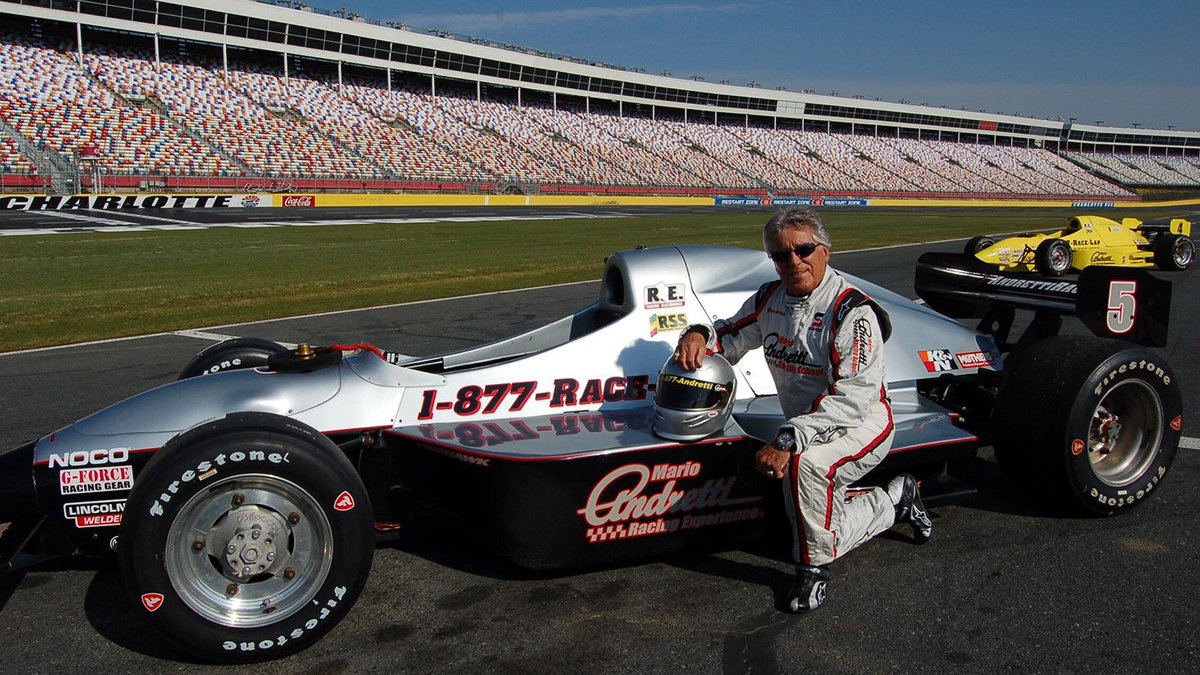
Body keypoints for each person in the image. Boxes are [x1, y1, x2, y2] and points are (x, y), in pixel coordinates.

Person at [673, 207, 931, 613]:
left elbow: (852, 401)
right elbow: (728, 336)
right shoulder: (769, 298)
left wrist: (789, 437)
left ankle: (813, 570)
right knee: (806, 503)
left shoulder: (852, 313)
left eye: (803, 249)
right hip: (810, 423)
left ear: (825, 251)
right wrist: (697, 334)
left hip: (863, 424)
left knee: (805, 469)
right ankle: (895, 499)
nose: (794, 261)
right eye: (780, 255)